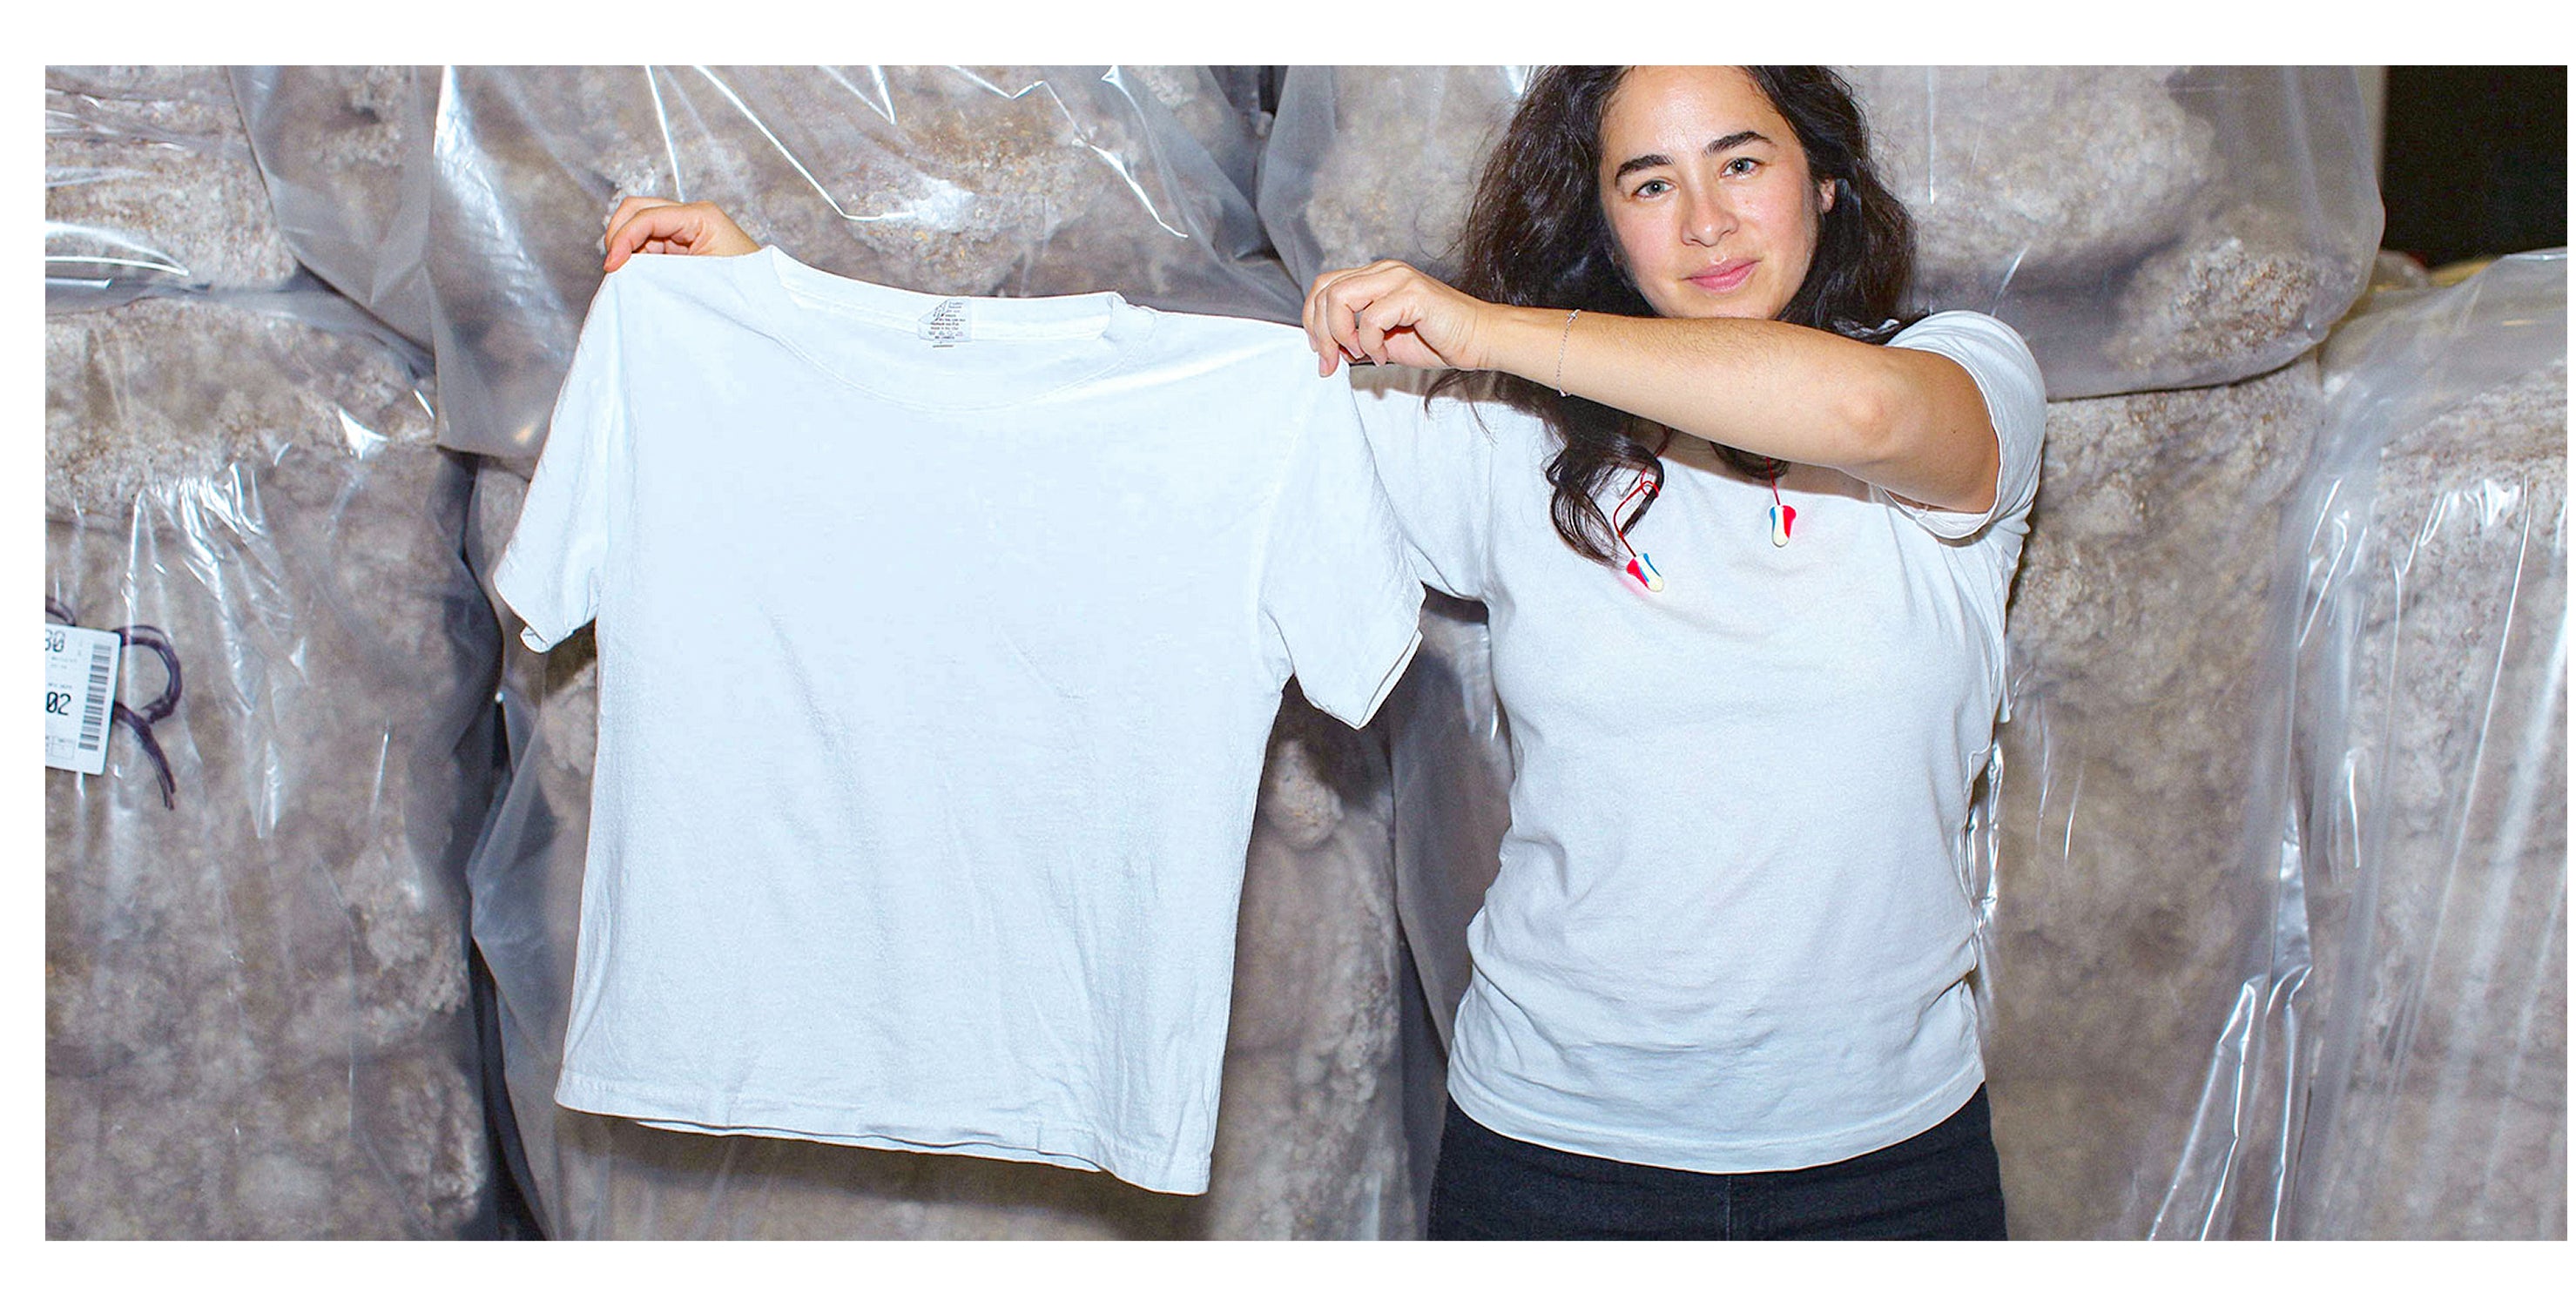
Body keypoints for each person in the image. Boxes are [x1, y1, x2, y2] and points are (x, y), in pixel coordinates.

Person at [599, 64, 2042, 1240]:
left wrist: (1486, 325)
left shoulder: (1965, 376)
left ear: (1825, 180)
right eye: (1645, 182)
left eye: (1741, 160)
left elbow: (1859, 422)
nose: (1706, 221)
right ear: (1604, 227)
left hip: (1888, 1160)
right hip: (1557, 1157)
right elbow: (1111, 425)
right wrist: (777, 311)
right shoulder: (1504, 434)